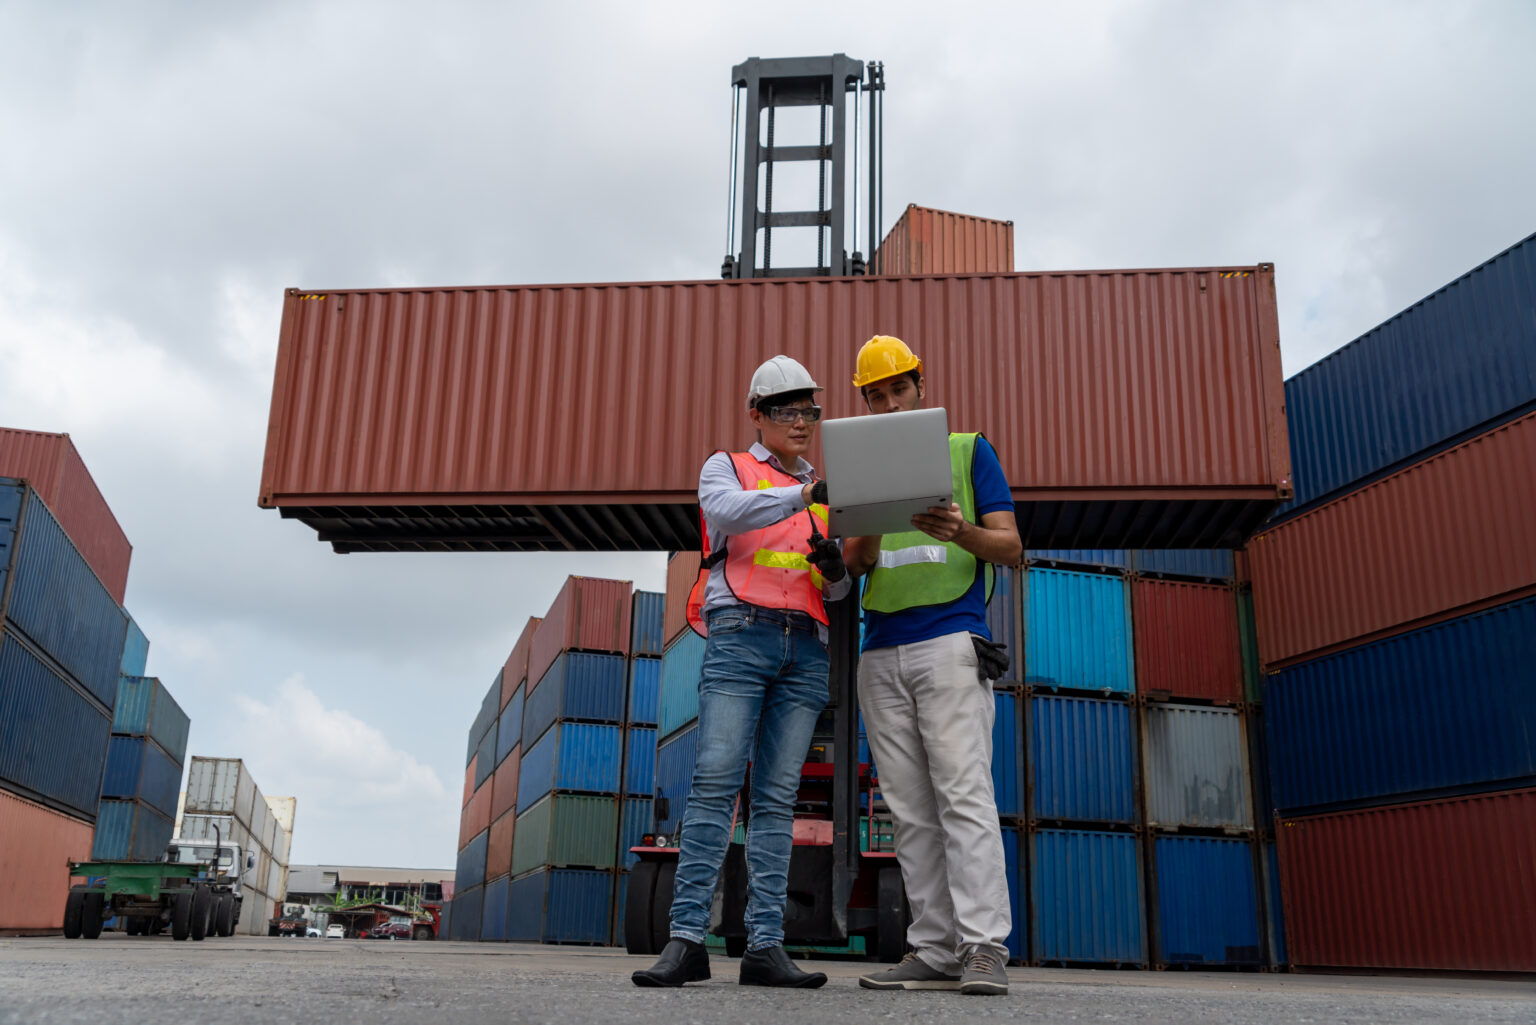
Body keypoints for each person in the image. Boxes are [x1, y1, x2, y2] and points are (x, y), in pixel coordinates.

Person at [632, 355, 850, 989]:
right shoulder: (727, 467)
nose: (803, 422)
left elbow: (835, 594)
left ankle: (764, 946)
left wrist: (835, 568)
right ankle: (685, 940)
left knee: (778, 800)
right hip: (740, 636)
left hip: (806, 647)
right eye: (788, 410)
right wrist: (803, 495)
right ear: (756, 415)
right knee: (717, 784)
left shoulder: (826, 497)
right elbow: (727, 515)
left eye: (810, 410)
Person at [839, 335, 1021, 996]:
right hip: (880, 648)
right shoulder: (859, 463)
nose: (889, 403)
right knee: (908, 809)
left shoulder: (969, 449)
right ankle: (933, 945)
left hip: (951, 639)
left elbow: (1010, 547)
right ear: (864, 400)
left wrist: (959, 530)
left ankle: (982, 946)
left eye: (897, 389)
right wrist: (874, 518)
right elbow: (856, 563)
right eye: (876, 394)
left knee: (963, 795)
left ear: (919, 385)